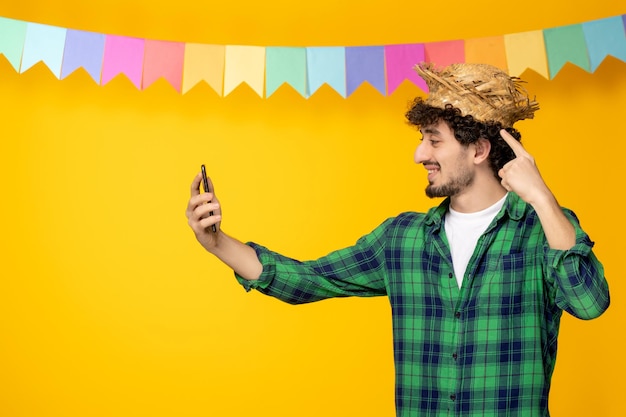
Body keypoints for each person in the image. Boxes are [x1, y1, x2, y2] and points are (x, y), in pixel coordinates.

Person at [185, 62, 610, 417]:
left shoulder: (545, 228)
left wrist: (541, 197)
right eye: (422, 140)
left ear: (479, 150)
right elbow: (306, 280)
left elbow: (589, 303)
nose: (419, 155)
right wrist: (217, 243)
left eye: (434, 140)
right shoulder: (402, 240)